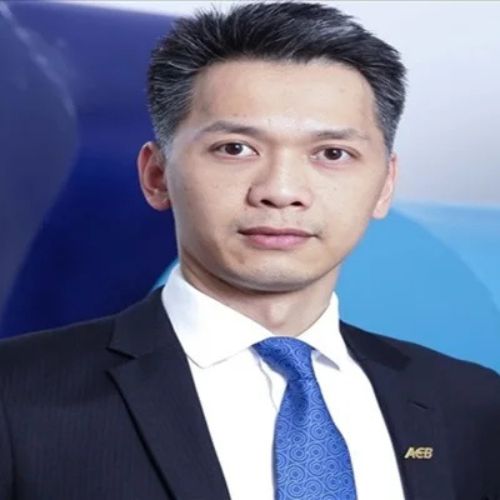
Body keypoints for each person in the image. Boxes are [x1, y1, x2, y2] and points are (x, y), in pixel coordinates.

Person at [0, 2, 499, 499]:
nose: (281, 191)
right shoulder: (15, 393)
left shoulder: (471, 405)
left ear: (385, 184)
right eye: (235, 148)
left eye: (332, 153)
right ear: (157, 175)